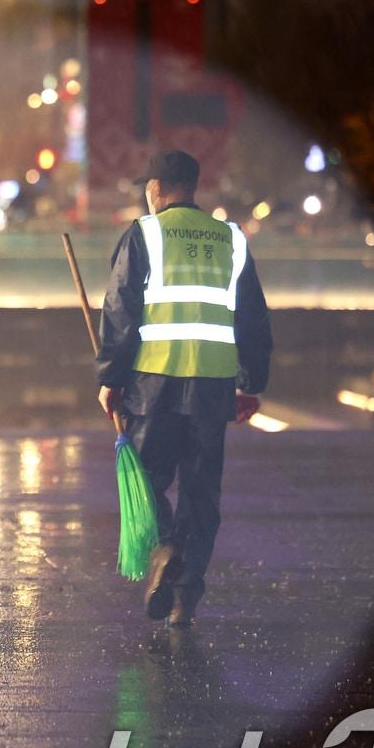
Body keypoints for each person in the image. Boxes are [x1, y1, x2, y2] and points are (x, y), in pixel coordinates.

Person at [96, 150, 273, 626]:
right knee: (200, 492)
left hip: (153, 385)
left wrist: (110, 377)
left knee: (145, 479)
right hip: (213, 388)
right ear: (193, 187)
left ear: (156, 189)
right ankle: (184, 595)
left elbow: (120, 310)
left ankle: (166, 548)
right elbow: (253, 316)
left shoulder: (145, 234)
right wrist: (251, 382)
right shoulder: (230, 239)